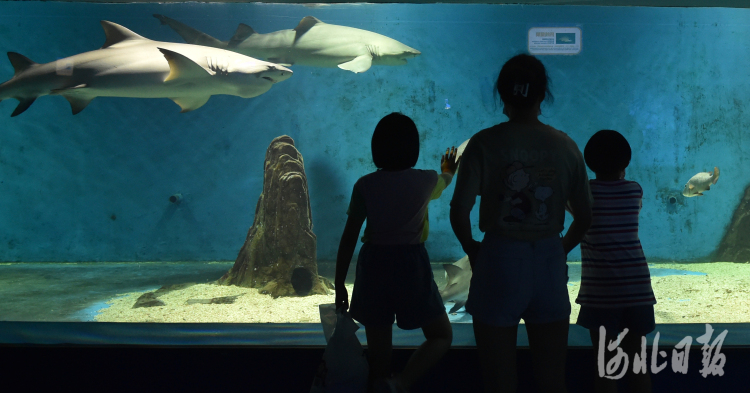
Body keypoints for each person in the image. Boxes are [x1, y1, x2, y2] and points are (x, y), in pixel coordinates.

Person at [449, 54, 593, 393]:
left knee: (499, 380)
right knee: (551, 378)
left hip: (498, 259)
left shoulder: (484, 143)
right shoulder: (565, 145)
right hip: (548, 259)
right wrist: (560, 248)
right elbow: (585, 217)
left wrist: (472, 248)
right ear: (543, 95)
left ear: (502, 95)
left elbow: (460, 209)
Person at [335, 112, 458, 393]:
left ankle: (381, 381)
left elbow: (349, 236)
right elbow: (445, 179)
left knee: (379, 347)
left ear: (376, 150)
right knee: (440, 335)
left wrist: (340, 282)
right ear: (414, 150)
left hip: (373, 264)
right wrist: (449, 168)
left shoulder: (364, 185)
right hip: (411, 263)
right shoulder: (426, 181)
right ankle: (401, 382)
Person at [577, 130, 656, 393]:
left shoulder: (584, 192)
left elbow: (576, 211)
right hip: (637, 291)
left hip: (600, 293)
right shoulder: (634, 190)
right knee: (638, 363)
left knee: (606, 366)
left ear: (588, 162)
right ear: (626, 163)